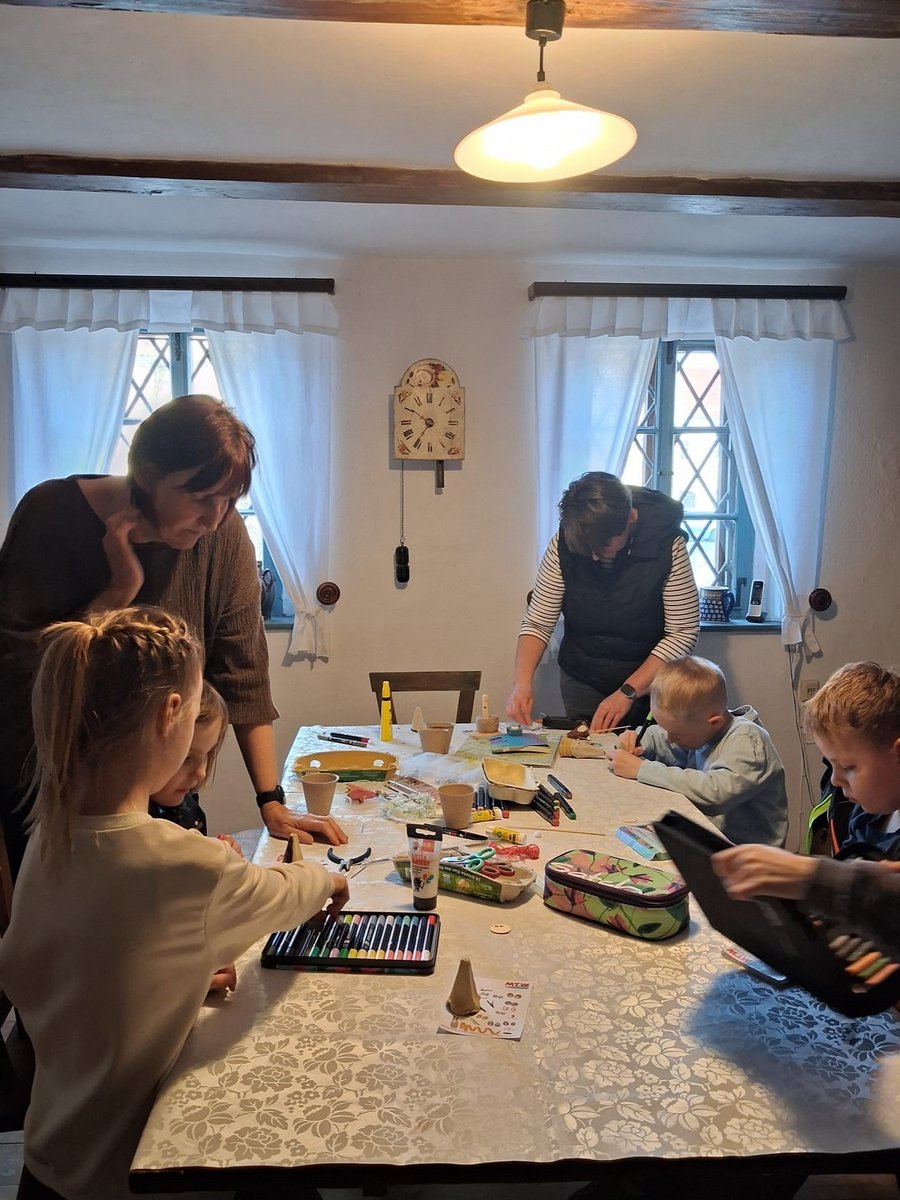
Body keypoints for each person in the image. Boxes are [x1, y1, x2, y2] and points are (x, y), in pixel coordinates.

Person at [0, 606, 350, 1200]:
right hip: (134, 1171)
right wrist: (329, 880)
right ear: (171, 715)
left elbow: (76, 965)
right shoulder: (182, 862)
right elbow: (285, 894)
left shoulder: (47, 837)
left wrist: (157, 981)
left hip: (49, 1164)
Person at [0, 393, 347, 877]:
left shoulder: (223, 536)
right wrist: (121, 588)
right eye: (200, 498)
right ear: (146, 474)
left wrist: (270, 800)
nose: (215, 518)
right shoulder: (51, 513)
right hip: (58, 792)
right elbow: (29, 673)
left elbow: (243, 674)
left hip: (164, 788)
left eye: (230, 500)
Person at [506, 471, 698, 732]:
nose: (594, 557)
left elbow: (682, 632)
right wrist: (521, 682)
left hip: (649, 680)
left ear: (629, 520)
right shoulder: (565, 542)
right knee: (586, 749)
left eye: (603, 546)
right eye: (586, 549)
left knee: (643, 752)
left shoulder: (667, 546)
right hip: (582, 675)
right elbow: (538, 622)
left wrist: (628, 691)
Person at [610, 655, 788, 846]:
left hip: (750, 854)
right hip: (710, 839)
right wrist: (641, 741)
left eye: (677, 734)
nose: (670, 738)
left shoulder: (748, 742)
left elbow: (714, 793)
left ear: (714, 722)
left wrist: (642, 769)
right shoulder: (702, 730)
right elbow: (666, 741)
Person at [150, 679, 239, 995]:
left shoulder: (183, 803)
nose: (200, 772)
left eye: (207, 755)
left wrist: (219, 857)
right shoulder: (137, 823)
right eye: (187, 757)